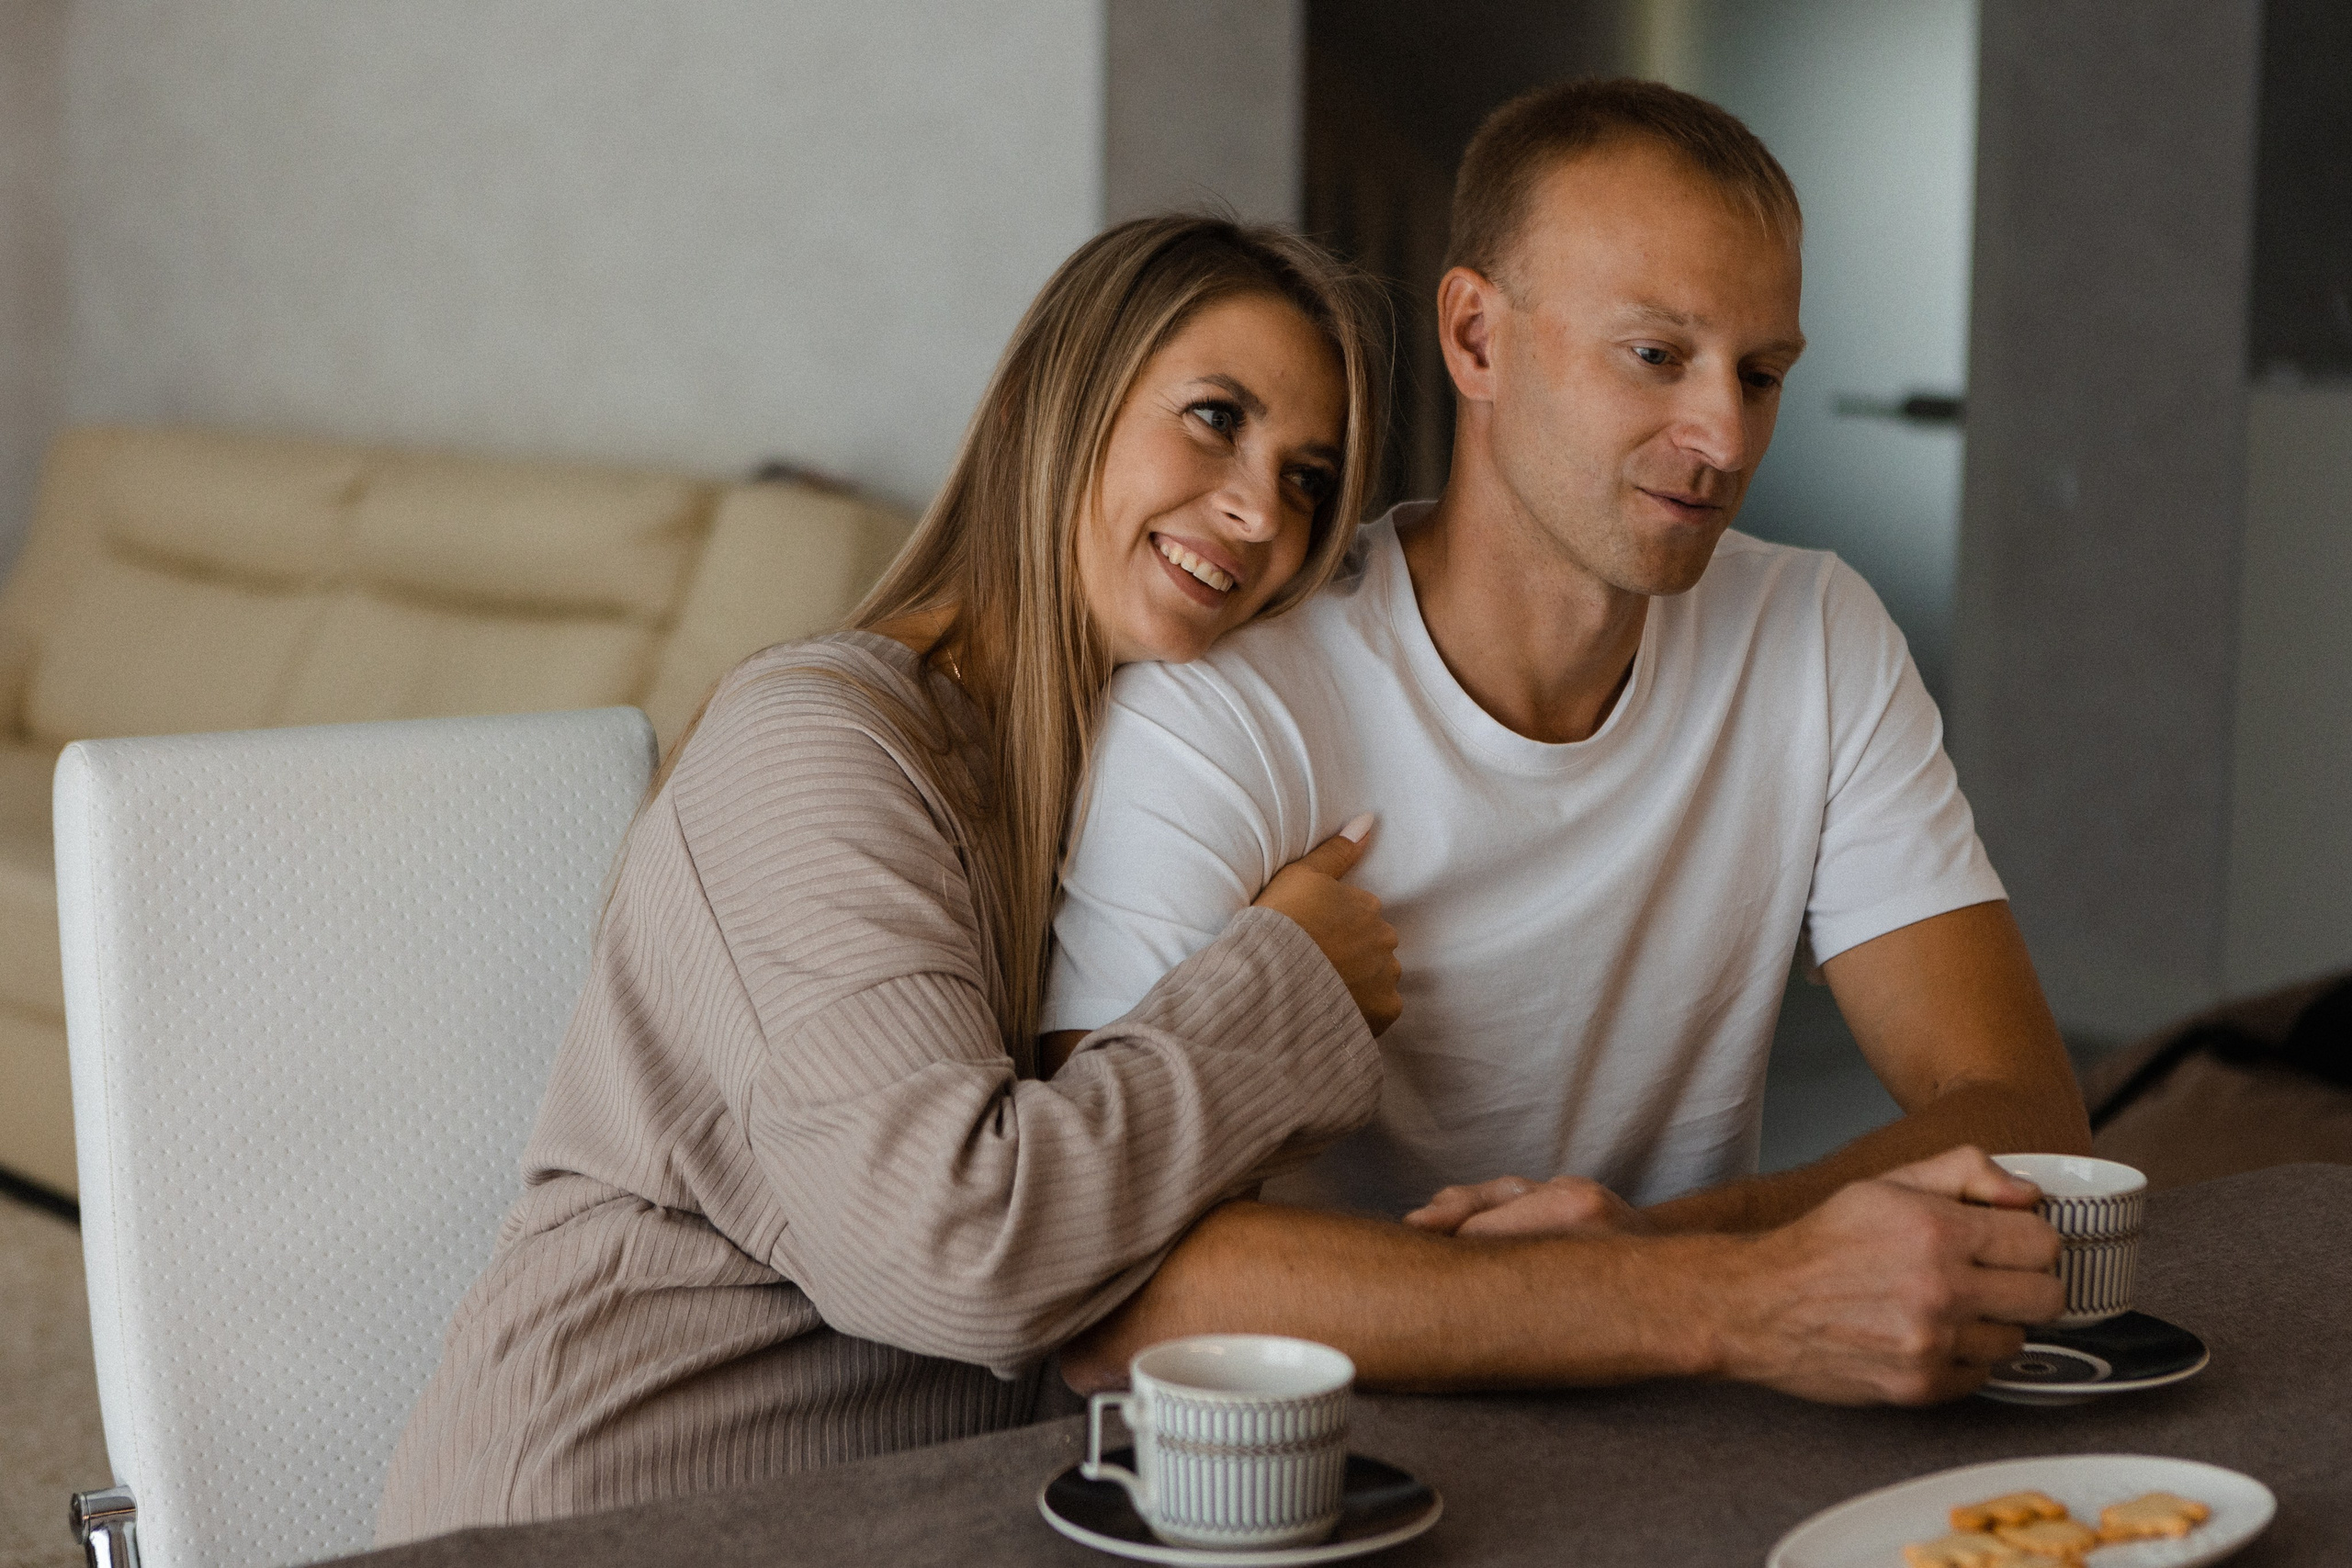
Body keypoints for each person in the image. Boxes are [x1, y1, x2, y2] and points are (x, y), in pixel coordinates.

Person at [1043, 80, 2086, 1404]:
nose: (1723, 437)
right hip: (1328, 1451)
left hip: (1688, 1404)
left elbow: (2027, 1116)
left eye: (1762, 376)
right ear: (1476, 336)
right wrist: (1720, 1289)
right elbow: (1111, 1287)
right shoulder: (1225, 703)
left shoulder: (1812, 633)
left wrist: (1663, 1261)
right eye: (1658, 356)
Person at [376, 215, 1407, 1540]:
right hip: (611, 1499)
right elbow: (960, 1255)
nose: (1262, 512)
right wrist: (1287, 982)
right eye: (1215, 418)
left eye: (1309, 478)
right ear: (1060, 402)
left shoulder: (1127, 793)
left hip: (903, 1513)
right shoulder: (819, 744)